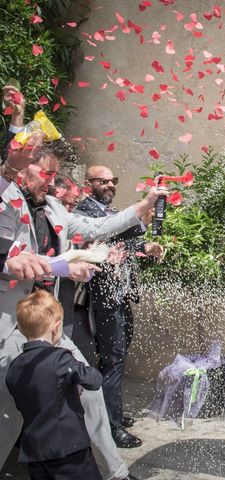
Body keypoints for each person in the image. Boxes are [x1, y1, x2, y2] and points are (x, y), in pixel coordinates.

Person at [0, 141, 163, 479]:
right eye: (45, 173)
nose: (50, 181)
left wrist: (142, 206)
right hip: (12, 324)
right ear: (25, 167)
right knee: (7, 412)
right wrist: (63, 266)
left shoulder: (56, 209)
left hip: (50, 325)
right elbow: (12, 262)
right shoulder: (7, 203)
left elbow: (95, 229)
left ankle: (115, 472)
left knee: (88, 389)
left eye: (54, 174)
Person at [74, 165, 163, 448]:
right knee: (112, 359)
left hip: (121, 296)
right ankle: (110, 428)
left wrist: (146, 247)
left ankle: (111, 411)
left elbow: (125, 243)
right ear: (87, 183)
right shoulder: (83, 212)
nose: (111, 185)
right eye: (104, 181)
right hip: (100, 299)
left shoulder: (108, 210)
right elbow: (103, 237)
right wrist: (141, 217)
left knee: (117, 357)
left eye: (114, 181)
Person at [5, 290, 103, 480]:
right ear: (56, 327)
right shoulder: (59, 358)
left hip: (35, 452)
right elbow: (94, 380)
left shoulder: (15, 365)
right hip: (69, 449)